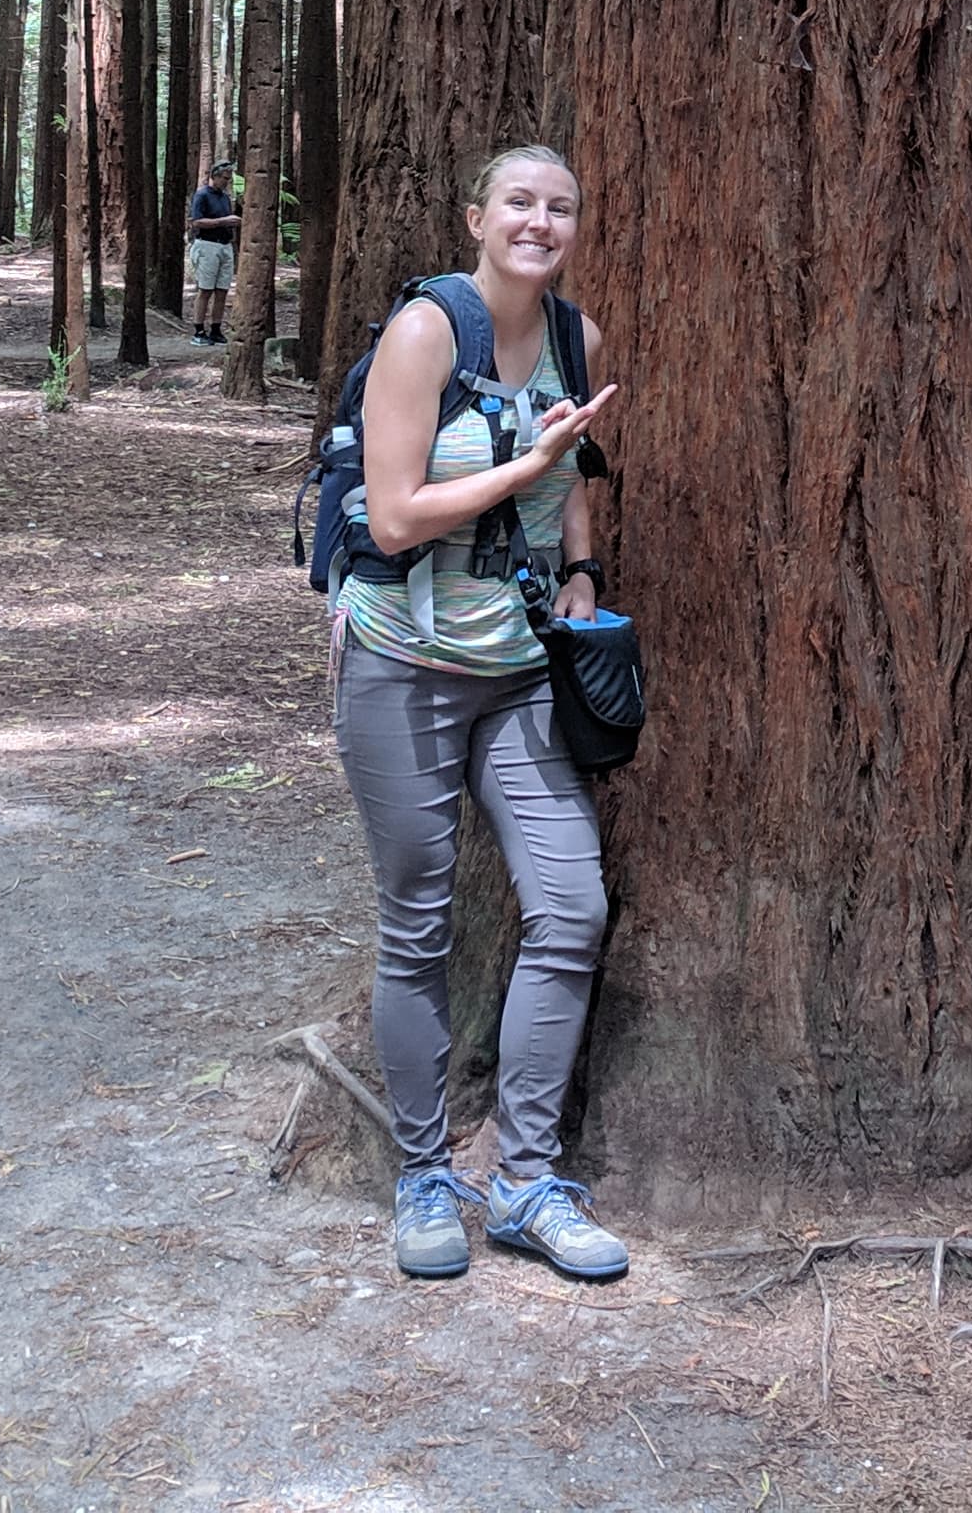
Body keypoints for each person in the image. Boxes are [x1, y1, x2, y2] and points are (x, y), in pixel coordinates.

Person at [335, 143, 626, 1282]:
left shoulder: (576, 339)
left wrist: (585, 575)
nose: (539, 222)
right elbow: (396, 515)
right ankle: (420, 1176)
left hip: (514, 675)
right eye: (520, 202)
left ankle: (525, 1182)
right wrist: (522, 468)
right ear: (476, 218)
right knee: (420, 922)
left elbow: (582, 476)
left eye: (560, 207)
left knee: (572, 907)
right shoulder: (425, 334)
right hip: (400, 663)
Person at [184, 162, 239, 344]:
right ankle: (199, 330)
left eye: (228, 179)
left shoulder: (224, 198)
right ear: (214, 176)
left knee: (222, 290)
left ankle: (216, 328)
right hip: (207, 245)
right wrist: (223, 221)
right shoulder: (202, 195)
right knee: (206, 289)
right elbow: (196, 222)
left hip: (225, 245)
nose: (226, 182)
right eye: (224, 178)